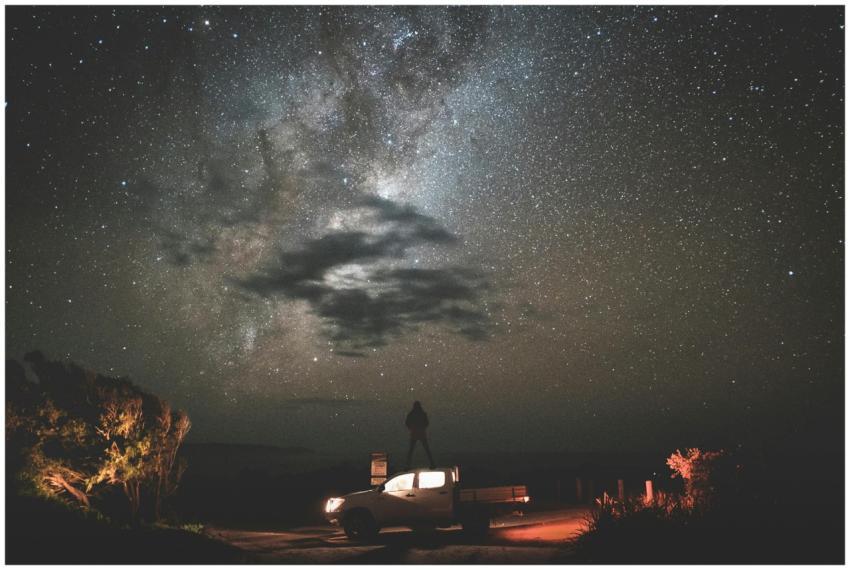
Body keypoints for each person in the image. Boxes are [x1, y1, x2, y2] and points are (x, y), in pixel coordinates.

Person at [405, 401, 435, 469]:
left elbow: (407, 423)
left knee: (411, 451)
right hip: (421, 433)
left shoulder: (411, 414)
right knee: (426, 449)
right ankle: (432, 463)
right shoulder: (423, 414)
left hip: (414, 433)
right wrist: (422, 428)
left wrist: (412, 428)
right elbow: (427, 423)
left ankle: (407, 466)